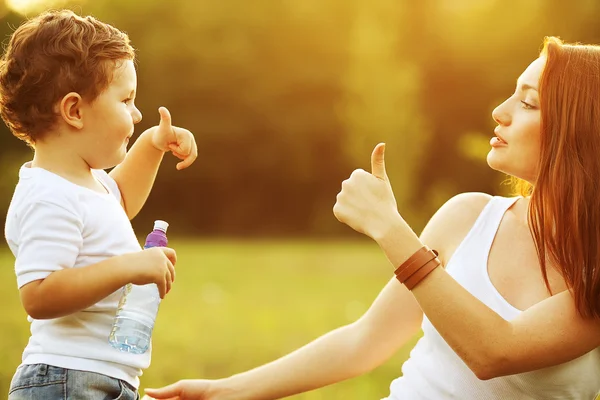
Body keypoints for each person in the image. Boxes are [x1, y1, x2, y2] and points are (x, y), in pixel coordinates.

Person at [143, 36, 600, 400]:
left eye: (528, 103)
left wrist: (390, 228)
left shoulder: (593, 275)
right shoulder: (468, 217)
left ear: (577, 128)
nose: (498, 112)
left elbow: (494, 351)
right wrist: (225, 392)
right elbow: (365, 341)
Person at [1, 9, 198, 400]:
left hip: (95, 378)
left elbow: (121, 199)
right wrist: (128, 266)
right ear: (74, 111)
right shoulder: (48, 195)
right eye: (126, 100)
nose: (137, 113)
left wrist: (152, 145)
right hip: (66, 379)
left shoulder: (87, 185)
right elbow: (39, 294)